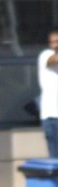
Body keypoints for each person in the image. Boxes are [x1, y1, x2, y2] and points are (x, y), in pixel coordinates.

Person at [37, 28, 58, 158]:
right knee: (55, 159)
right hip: (52, 117)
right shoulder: (45, 55)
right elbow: (52, 61)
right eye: (53, 42)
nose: (56, 44)